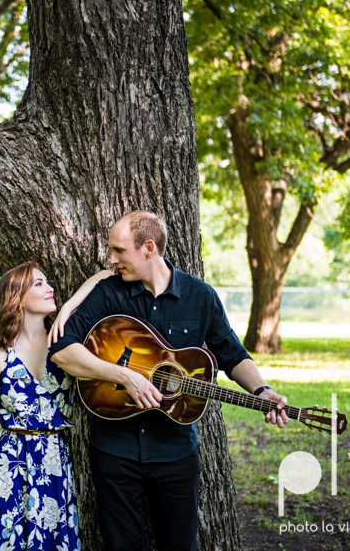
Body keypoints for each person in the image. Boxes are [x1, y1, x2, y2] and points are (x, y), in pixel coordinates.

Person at [49, 210, 289, 551]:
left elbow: (233, 354)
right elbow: (61, 350)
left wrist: (262, 390)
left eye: (119, 251)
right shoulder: (108, 294)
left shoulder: (200, 296)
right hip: (114, 450)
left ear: (148, 248)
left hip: (176, 453)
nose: (111, 259)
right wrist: (122, 375)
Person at [0, 262, 80, 551]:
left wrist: (69, 307)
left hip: (54, 461)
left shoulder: (65, 346)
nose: (50, 288)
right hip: (9, 463)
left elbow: (104, 278)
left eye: (48, 282)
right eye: (39, 283)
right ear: (17, 296)